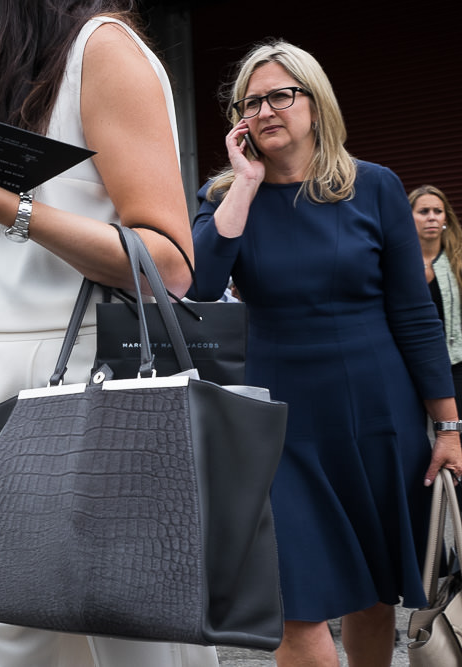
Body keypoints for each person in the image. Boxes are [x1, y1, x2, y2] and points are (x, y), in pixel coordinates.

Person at [0, 0, 215, 663]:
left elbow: (169, 259)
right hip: (5, 395)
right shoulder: (2, 82)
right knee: (4, 640)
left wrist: (2, 205)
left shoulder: (102, 50)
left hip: (108, 381)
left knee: (135, 643)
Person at [188, 42, 462, 666]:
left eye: (280, 95)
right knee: (295, 603)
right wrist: (247, 185)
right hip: (280, 421)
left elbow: (415, 315)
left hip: (377, 413)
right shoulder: (226, 195)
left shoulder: (375, 188)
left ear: (315, 103)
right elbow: (200, 287)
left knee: (372, 593)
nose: (264, 110)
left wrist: (447, 424)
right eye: (250, 101)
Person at [412, 185, 462, 413]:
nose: (432, 217)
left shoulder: (457, 262)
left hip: (455, 363)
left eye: (437, 211)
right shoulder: (395, 263)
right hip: (411, 365)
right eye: (423, 211)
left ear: (445, 218)